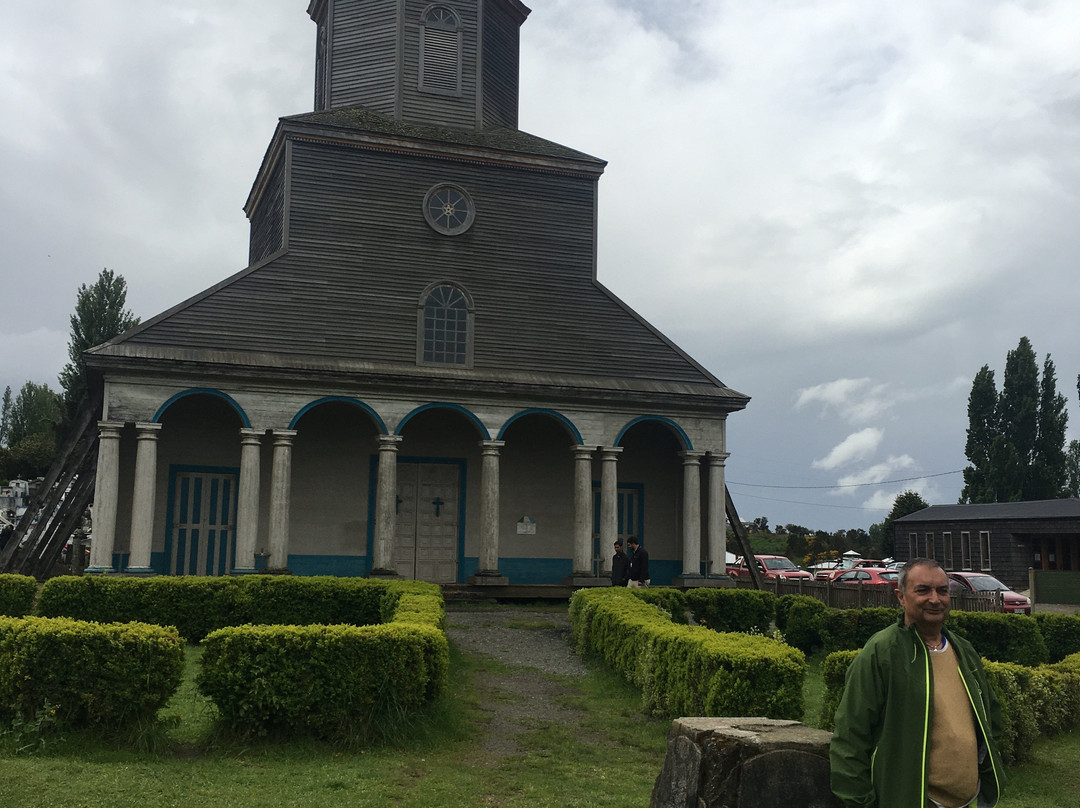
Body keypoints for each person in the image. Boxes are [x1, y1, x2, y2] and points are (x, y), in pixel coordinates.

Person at [830, 558, 1005, 808]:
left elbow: (991, 718)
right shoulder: (882, 652)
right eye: (923, 590)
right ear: (901, 597)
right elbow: (850, 738)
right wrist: (861, 803)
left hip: (968, 801)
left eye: (942, 591)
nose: (935, 599)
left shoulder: (963, 650)